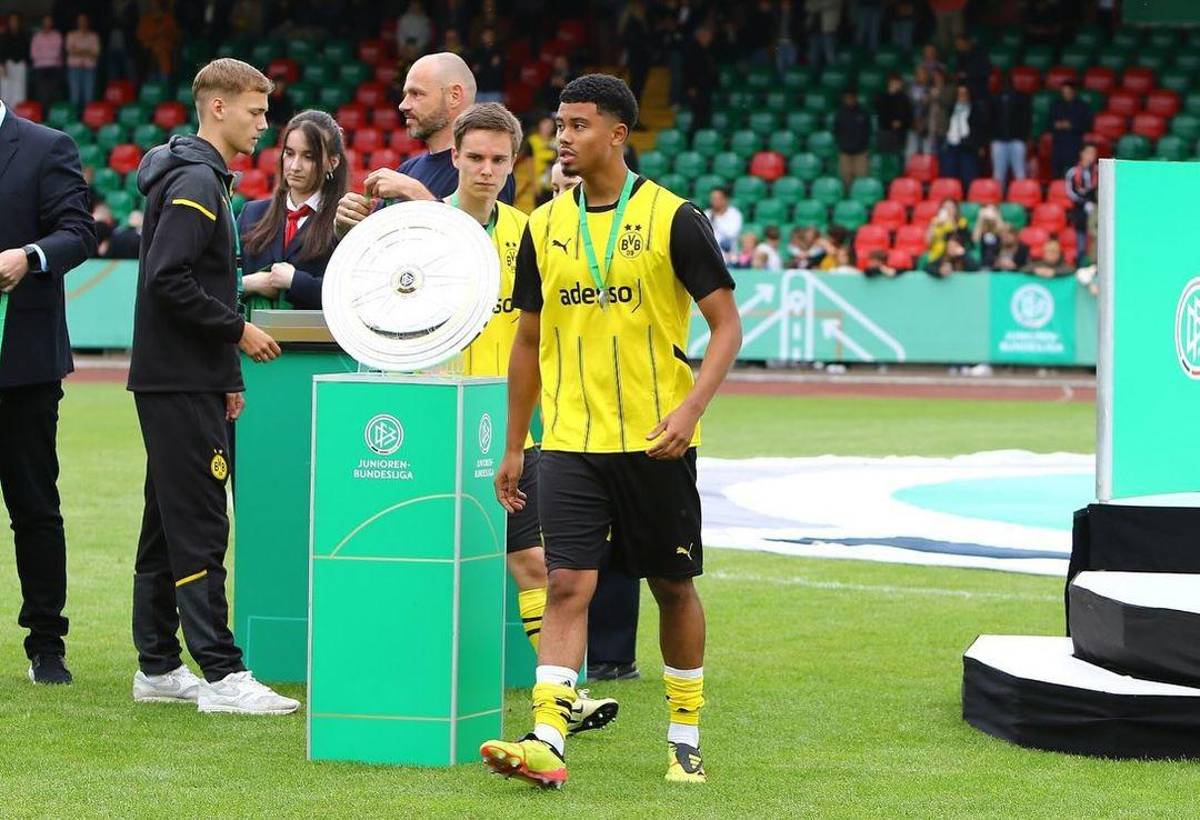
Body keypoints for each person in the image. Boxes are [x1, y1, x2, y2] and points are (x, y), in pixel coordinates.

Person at [481, 73, 741, 788]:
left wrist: (689, 413)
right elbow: (528, 343)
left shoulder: (675, 218)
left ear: (618, 135)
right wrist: (513, 443)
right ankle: (546, 740)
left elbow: (725, 327)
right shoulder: (542, 228)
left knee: (673, 586)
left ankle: (684, 736)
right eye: (559, 124)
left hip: (656, 442)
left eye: (578, 125)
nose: (561, 137)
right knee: (567, 584)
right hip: (567, 443)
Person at [127, 58, 297, 715]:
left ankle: (159, 666)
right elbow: (168, 280)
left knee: (165, 524)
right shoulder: (197, 180)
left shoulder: (202, 175)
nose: (264, 123)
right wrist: (238, 333)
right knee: (200, 522)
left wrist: (225, 375)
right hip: (178, 380)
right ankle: (223, 676)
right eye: (255, 111)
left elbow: (208, 277)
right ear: (218, 107)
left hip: (186, 378)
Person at [450, 101, 619, 733]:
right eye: (476, 158)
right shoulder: (421, 233)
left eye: (499, 159)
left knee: (529, 561)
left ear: (515, 162)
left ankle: (562, 699)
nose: (487, 170)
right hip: (439, 418)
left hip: (516, 427)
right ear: (455, 158)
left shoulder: (534, 230)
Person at [0, 90, 96, 685]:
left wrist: (28, 256)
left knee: (34, 507)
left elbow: (80, 233)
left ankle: (46, 644)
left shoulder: (45, 146)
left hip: (23, 366)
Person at [335, 52, 515, 237]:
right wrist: (350, 226)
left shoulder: (487, 168)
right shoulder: (407, 170)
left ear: (454, 95)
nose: (403, 105)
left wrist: (415, 192)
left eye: (416, 94)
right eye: (405, 95)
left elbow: (482, 248)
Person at [239, 111, 347, 311]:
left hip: (315, 341)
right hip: (252, 340)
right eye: (289, 154)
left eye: (309, 156)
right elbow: (216, 284)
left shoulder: (345, 222)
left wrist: (296, 282)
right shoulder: (251, 213)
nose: (295, 166)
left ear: (333, 162)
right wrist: (250, 283)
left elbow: (352, 297)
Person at [940, 84, 988, 190]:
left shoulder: (975, 109)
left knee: (968, 176)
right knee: (950, 175)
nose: (962, 96)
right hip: (952, 144)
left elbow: (980, 129)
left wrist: (980, 145)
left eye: (964, 94)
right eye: (959, 94)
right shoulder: (951, 108)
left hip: (968, 146)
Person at [990, 75, 1032, 188]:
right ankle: (997, 201)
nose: (1006, 86)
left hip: (1017, 140)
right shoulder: (995, 98)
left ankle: (1022, 197)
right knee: (998, 175)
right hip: (999, 141)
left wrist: (1024, 138)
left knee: (1019, 173)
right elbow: (990, 121)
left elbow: (1026, 120)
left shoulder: (1022, 98)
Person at [1049, 82, 1091, 177]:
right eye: (1064, 92)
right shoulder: (1056, 105)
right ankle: (1057, 188)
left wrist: (1071, 125)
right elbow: (1049, 123)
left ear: (1073, 92)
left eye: (1068, 92)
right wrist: (1057, 125)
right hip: (1058, 142)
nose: (1066, 94)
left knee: (1074, 171)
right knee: (1056, 170)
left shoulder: (1082, 106)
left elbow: (1087, 125)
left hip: (1074, 142)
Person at [1065, 144, 1097, 265]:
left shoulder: (1098, 171)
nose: (1091, 156)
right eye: (1088, 153)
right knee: (1081, 242)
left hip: (1096, 210)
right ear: (1082, 154)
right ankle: (1080, 265)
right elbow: (1070, 193)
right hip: (1080, 211)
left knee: (1096, 240)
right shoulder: (1073, 172)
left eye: (1093, 153)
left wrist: (1094, 203)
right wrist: (1084, 203)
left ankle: (1095, 266)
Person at [834, 88, 871, 189]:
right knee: (846, 181)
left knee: (862, 180)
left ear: (856, 98)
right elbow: (836, 131)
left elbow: (868, 131)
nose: (849, 100)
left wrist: (863, 145)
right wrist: (842, 145)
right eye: (847, 98)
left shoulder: (863, 113)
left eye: (851, 98)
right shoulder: (840, 114)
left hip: (861, 153)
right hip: (845, 152)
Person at [64, 13, 99, 108]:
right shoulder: (71, 35)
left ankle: (88, 119)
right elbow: (70, 51)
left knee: (89, 96)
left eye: (84, 20)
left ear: (88, 22)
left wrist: (78, 50)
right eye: (80, 20)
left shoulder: (93, 36)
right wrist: (87, 51)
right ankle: (74, 120)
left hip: (89, 69)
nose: (82, 22)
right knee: (74, 96)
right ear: (77, 22)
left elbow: (95, 53)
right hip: (74, 68)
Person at [29, 15, 62, 110]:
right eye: (45, 21)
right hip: (40, 68)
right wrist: (48, 53)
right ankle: (42, 115)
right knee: (41, 93)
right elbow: (34, 53)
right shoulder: (37, 36)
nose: (47, 24)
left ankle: (53, 115)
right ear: (42, 23)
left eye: (49, 21)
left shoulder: (57, 35)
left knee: (53, 92)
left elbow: (57, 53)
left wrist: (43, 54)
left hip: (54, 67)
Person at [875, 73, 913, 156]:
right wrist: (891, 122)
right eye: (896, 82)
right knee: (884, 158)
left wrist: (901, 123)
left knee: (898, 159)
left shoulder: (904, 98)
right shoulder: (882, 96)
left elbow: (909, 116)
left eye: (899, 82)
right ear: (890, 82)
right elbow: (881, 114)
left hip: (900, 134)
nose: (898, 84)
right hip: (885, 132)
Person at [0, 13, 31, 107]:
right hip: (7, 64)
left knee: (20, 88)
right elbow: (1, 51)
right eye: (11, 20)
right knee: (6, 87)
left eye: (15, 20)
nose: (13, 23)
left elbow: (27, 50)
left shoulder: (24, 35)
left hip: (21, 64)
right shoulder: (4, 36)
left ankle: (19, 110)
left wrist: (26, 62)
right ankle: (5, 111)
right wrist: (2, 65)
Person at [704, 186, 743, 260]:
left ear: (725, 199)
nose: (714, 201)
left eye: (717, 199)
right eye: (712, 199)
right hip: (709, 253)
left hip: (730, 253)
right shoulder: (706, 214)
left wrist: (716, 219)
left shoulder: (735, 214)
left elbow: (732, 234)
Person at [471, 27, 504, 103]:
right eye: (485, 35)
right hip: (479, 89)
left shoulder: (499, 51)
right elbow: (474, 68)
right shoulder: (477, 51)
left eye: (490, 35)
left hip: (494, 90)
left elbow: (501, 69)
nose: (488, 37)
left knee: (493, 114)